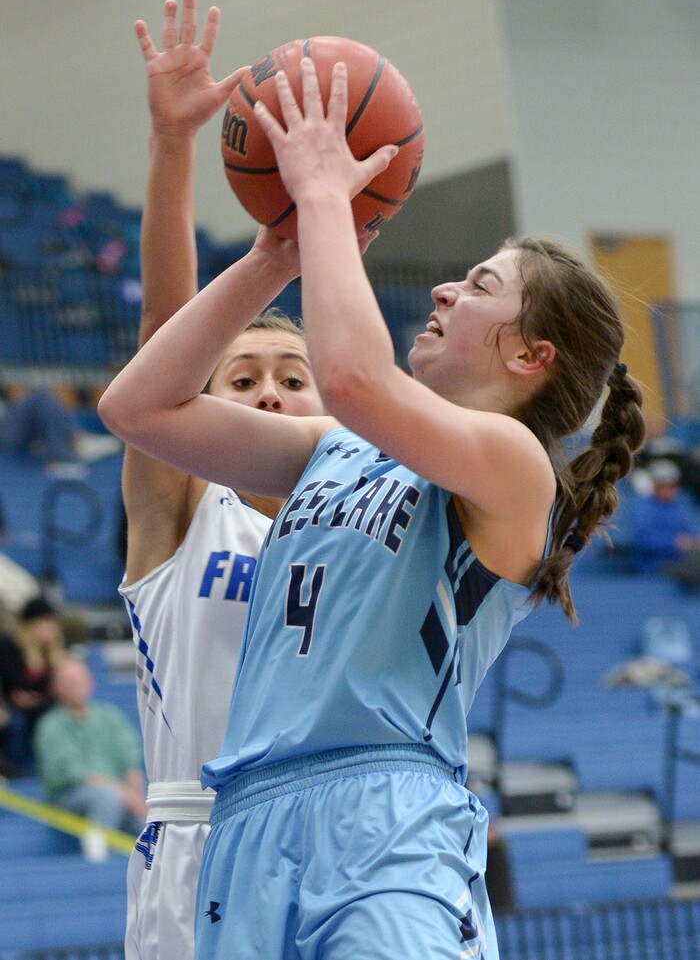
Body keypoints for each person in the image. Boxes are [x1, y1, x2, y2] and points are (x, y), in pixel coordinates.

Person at [99, 58, 645, 960]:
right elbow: (138, 409)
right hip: (246, 831)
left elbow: (352, 377)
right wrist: (269, 256)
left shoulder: (516, 468)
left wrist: (320, 199)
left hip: (383, 818)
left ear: (530, 356)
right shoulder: (331, 450)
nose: (441, 290)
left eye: (477, 287)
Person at [119, 0, 325, 960]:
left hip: (328, 840)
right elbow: (166, 341)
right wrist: (173, 149)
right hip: (197, 839)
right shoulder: (184, 505)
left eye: (294, 378)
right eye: (241, 379)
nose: (271, 394)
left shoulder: (357, 515)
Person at [32, 654, 146, 847]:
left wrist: (134, 793)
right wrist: (123, 792)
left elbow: (131, 758)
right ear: (56, 688)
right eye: (68, 683)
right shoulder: (50, 726)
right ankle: (96, 856)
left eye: (78, 681)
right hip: (70, 796)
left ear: (90, 682)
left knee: (150, 815)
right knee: (107, 798)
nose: (75, 687)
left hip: (120, 793)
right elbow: (71, 773)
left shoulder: (109, 716)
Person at [0, 594, 65, 771]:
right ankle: (17, 771)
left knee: (58, 717)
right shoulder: (9, 646)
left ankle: (53, 767)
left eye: (52, 622)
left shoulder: (54, 652)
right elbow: (9, 683)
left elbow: (58, 689)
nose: (51, 628)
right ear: (30, 625)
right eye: (45, 622)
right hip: (10, 706)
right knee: (16, 723)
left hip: (42, 705)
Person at [628, 458, 700, 581]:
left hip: (683, 560)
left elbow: (691, 531)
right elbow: (644, 540)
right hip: (655, 566)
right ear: (655, 485)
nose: (668, 489)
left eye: (672, 485)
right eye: (664, 485)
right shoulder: (644, 508)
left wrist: (693, 541)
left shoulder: (681, 505)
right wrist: (674, 543)